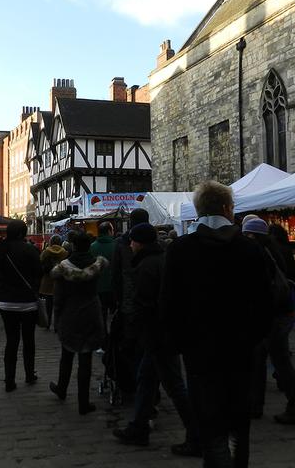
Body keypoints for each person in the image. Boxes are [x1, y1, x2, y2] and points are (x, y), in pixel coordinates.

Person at [162, 181, 272, 468]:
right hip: (240, 350)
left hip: (199, 351)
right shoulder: (249, 249)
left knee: (210, 424)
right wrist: (254, 338)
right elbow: (264, 302)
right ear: (227, 209)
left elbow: (169, 304)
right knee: (238, 423)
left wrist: (181, 342)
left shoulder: (180, 249)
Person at [112, 223, 200, 456]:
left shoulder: (146, 266)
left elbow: (146, 305)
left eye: (132, 241)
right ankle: (139, 427)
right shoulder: (162, 259)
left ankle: (197, 436)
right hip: (162, 334)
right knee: (146, 379)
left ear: (139, 242)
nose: (130, 245)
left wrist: (137, 333)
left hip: (158, 336)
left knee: (175, 387)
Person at [242, 217, 295, 425]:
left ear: (252, 235)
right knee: (266, 358)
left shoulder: (261, 253)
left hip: (272, 314)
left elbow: (259, 288)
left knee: (277, 360)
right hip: (280, 313)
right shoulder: (275, 250)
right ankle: (256, 405)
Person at [48, 232, 106, 415]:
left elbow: (58, 297)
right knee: (85, 358)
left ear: (73, 246)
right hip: (90, 312)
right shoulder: (97, 264)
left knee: (67, 354)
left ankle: (62, 389)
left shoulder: (63, 268)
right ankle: (83, 402)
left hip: (70, 313)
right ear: (89, 246)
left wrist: (56, 319)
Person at [0, 220, 42, 392]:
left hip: (7, 302)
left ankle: (9, 380)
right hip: (27, 302)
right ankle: (29, 374)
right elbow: (39, 273)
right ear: (22, 233)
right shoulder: (30, 249)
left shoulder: (2, 249)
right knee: (29, 341)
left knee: (11, 341)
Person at [111, 208, 150, 394]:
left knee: (130, 345)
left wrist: (117, 300)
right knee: (147, 347)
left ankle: (132, 383)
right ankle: (149, 388)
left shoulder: (121, 244)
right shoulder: (156, 242)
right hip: (150, 304)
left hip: (128, 303)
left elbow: (116, 275)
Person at [89, 222, 116, 335]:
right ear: (109, 231)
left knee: (101, 315)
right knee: (115, 315)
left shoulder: (92, 247)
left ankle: (103, 340)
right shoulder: (117, 246)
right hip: (114, 286)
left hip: (97, 286)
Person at [39, 236, 69, 330]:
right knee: (58, 304)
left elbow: (40, 262)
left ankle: (48, 323)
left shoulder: (46, 252)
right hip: (60, 280)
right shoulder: (64, 252)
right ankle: (57, 325)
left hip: (48, 280)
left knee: (48, 304)